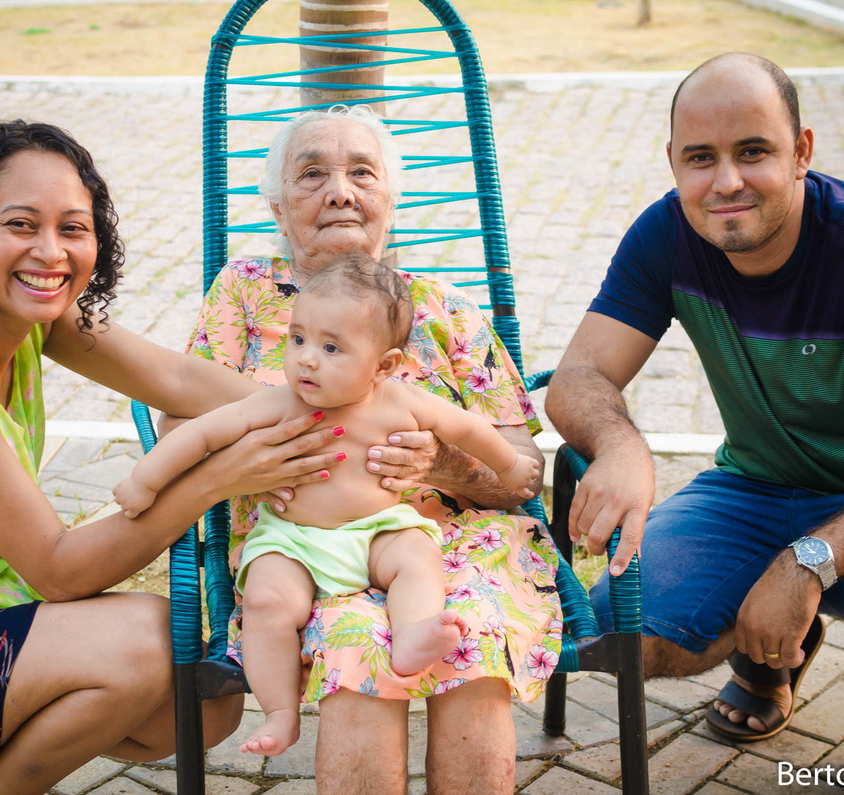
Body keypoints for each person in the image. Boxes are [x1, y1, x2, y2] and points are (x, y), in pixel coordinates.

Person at [0, 120, 350, 795]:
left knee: (205, 706)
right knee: (148, 639)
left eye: (73, 228)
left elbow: (175, 379)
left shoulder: (35, 317)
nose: (50, 251)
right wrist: (217, 477)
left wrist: (339, 423)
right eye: (21, 225)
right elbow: (58, 571)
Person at [544, 52, 844, 794]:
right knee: (618, 630)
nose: (726, 182)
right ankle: (769, 660)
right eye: (700, 157)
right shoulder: (666, 234)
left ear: (801, 151)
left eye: (753, 151)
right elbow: (579, 375)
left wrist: (807, 561)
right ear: (673, 161)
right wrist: (622, 446)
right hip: (751, 488)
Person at [171, 104, 561, 793]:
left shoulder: (444, 309)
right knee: (354, 644)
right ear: (278, 207)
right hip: (300, 550)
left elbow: (522, 474)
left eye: (361, 173)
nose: (340, 192)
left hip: (453, 544)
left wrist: (445, 465)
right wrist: (252, 464)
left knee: (466, 629)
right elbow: (180, 431)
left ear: (390, 201)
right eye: (312, 174)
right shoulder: (245, 293)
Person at [118, 253, 541, 756]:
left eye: (331, 347)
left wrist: (511, 466)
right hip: (291, 539)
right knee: (266, 604)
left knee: (417, 557)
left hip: (379, 528)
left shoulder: (402, 401)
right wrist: (145, 479)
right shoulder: (275, 403)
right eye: (297, 339)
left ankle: (412, 635)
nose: (306, 359)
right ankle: (280, 711)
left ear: (383, 366)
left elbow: (470, 430)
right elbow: (201, 435)